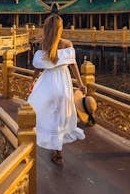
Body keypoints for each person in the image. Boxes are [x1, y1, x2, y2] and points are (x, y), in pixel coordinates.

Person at [28, 14, 86, 165]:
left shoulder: (43, 44)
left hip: (47, 82)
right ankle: (58, 152)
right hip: (62, 82)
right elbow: (73, 65)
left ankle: (55, 148)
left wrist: (33, 81)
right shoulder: (67, 44)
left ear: (47, 28)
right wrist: (80, 84)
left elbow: (38, 67)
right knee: (61, 115)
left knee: (49, 113)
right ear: (60, 29)